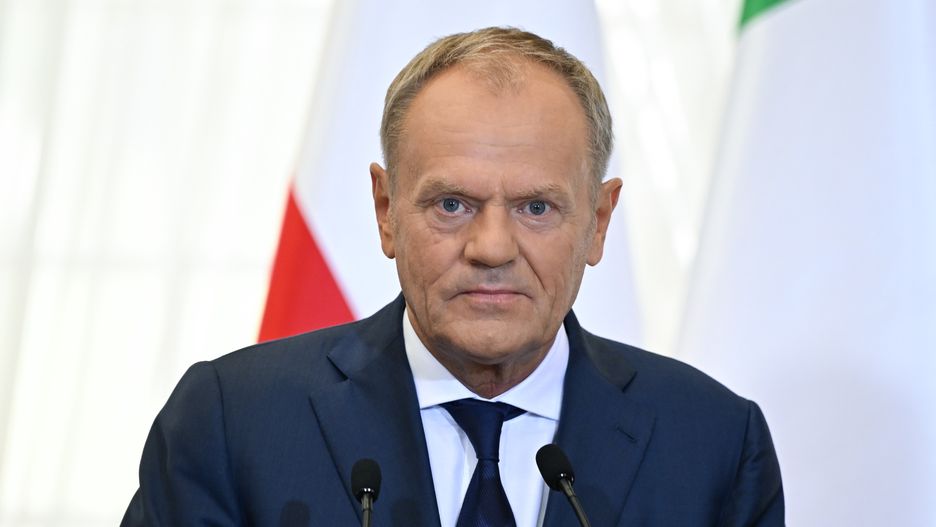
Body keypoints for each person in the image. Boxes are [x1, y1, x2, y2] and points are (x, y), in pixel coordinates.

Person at [122, 27, 783, 527]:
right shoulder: (233, 423)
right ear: (386, 210)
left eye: (536, 207)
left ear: (598, 221)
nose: (492, 247)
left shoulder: (715, 444)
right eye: (451, 204)